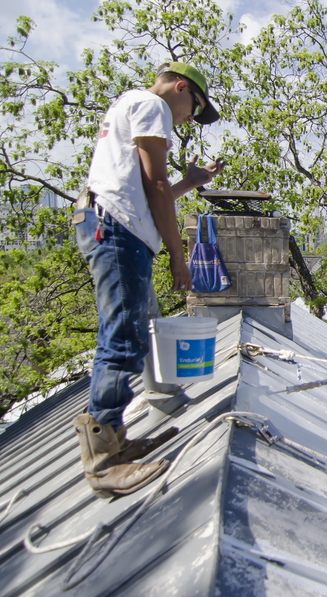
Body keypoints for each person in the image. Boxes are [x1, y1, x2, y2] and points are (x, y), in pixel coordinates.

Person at [72, 62, 223, 497]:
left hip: (110, 224)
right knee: (122, 338)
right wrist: (180, 256)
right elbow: (155, 186)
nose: (188, 119)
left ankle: (115, 443)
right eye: (194, 109)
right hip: (116, 230)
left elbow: (151, 190)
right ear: (181, 89)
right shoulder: (152, 104)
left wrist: (189, 183)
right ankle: (101, 462)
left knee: (125, 333)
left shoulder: (130, 106)